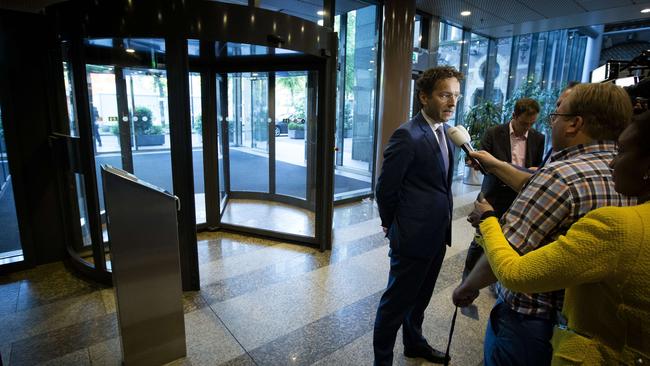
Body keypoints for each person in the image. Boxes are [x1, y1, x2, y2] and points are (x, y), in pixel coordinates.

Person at [453, 82, 636, 366]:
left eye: (556, 116)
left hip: (530, 320)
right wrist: (495, 164)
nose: (551, 124)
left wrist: (467, 286)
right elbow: (534, 183)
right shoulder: (624, 169)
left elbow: (506, 256)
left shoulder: (561, 177)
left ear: (575, 123)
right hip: (582, 320)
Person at [373, 66, 462, 366]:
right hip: (412, 237)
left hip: (437, 235)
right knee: (394, 305)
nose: (452, 102)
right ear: (424, 97)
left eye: (456, 96)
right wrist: (393, 227)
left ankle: (414, 343)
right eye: (445, 95)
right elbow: (386, 189)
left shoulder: (448, 134)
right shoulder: (407, 135)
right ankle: (382, 361)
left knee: (420, 299)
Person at [461, 98, 545, 281]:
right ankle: (467, 280)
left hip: (521, 196)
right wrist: (475, 162)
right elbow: (481, 159)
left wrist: (534, 170)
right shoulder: (494, 133)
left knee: (508, 240)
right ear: (514, 116)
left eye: (532, 123)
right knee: (480, 239)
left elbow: (538, 167)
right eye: (524, 123)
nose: (527, 128)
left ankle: (496, 278)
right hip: (493, 194)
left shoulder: (539, 138)